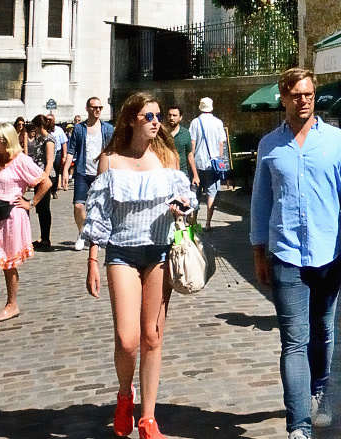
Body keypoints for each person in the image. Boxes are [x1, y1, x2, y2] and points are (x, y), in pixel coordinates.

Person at [251, 68, 341, 439]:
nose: (303, 100)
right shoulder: (269, 146)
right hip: (285, 254)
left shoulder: (336, 141)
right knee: (293, 340)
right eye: (295, 94)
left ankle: (318, 389)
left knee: (323, 331)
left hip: (327, 253)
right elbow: (261, 201)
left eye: (308, 94)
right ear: (284, 98)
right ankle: (298, 426)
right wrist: (259, 250)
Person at [83, 93, 196, 439]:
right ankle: (123, 395)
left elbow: (186, 203)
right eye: (148, 116)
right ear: (131, 119)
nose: (155, 122)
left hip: (160, 253)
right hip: (121, 254)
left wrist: (182, 210)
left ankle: (147, 417)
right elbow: (99, 214)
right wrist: (92, 260)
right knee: (127, 339)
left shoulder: (167, 157)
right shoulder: (110, 161)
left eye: (158, 116)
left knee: (152, 336)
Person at [0, 122, 51, 333]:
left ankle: (11, 304)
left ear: (7, 140)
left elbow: (45, 182)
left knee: (9, 265)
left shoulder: (21, 161)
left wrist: (31, 203)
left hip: (10, 218)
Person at [62, 96, 114, 250]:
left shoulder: (108, 128)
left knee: (100, 207)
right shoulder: (79, 129)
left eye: (100, 108)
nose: (98, 110)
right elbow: (71, 151)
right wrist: (65, 171)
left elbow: (113, 150)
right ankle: (82, 232)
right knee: (79, 205)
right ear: (87, 109)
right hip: (82, 172)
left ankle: (96, 236)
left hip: (102, 173)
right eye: (94, 107)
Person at [189, 97, 225, 230]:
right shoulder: (218, 122)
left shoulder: (195, 122)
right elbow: (221, 143)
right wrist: (219, 159)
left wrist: (191, 158)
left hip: (198, 162)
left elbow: (192, 142)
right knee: (211, 194)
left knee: (196, 194)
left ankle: (194, 221)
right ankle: (208, 223)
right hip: (213, 164)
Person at [27, 115, 56, 249]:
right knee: (40, 208)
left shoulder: (49, 140)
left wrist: (45, 177)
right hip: (38, 176)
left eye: (35, 127)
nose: (34, 130)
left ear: (40, 126)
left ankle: (46, 239)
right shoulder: (40, 139)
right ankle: (43, 237)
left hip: (46, 177)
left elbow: (49, 161)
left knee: (44, 207)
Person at [166, 106, 199, 188]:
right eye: (169, 115)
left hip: (182, 172)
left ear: (180, 118)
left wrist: (195, 175)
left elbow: (190, 155)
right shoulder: (162, 134)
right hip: (165, 172)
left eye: (174, 115)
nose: (171, 118)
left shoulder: (185, 133)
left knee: (183, 198)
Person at [46, 114, 68, 197]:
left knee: (56, 171)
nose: (49, 121)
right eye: (47, 120)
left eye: (50, 120)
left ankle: (54, 190)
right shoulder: (45, 130)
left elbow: (64, 143)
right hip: (48, 152)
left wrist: (64, 155)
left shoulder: (59, 130)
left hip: (57, 153)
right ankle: (48, 189)